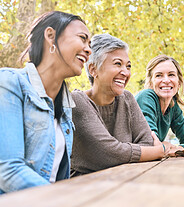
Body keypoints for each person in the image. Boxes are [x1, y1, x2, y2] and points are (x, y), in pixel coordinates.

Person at [0, 11, 91, 194]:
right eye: (83, 38)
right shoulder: (9, 82)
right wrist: (65, 199)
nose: (89, 49)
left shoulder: (66, 104)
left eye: (90, 44)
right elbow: (8, 170)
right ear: (51, 36)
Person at [71, 34, 167, 176]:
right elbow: (107, 152)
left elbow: (147, 143)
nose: (125, 72)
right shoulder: (77, 101)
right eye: (117, 64)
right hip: (82, 190)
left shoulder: (126, 98)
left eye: (128, 66)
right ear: (93, 69)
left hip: (124, 182)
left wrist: (122, 153)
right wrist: (158, 151)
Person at [136, 55, 184, 156]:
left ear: (178, 83)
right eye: (159, 75)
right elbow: (149, 142)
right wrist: (164, 146)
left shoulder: (172, 106)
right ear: (151, 83)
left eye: (171, 75)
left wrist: (176, 149)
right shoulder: (146, 97)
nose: (166, 80)